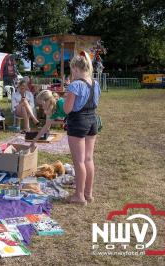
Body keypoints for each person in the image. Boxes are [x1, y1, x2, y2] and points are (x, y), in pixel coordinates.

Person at [63, 51, 101, 206]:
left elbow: (67, 109)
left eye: (72, 70)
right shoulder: (95, 83)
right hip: (93, 120)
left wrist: (64, 99)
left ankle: (79, 196)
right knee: (88, 159)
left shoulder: (75, 85)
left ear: (76, 69)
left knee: (78, 161)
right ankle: (88, 193)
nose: (72, 73)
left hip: (78, 122)